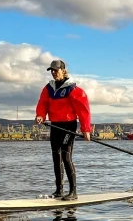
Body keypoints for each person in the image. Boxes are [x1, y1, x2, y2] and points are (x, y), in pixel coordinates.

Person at [35, 59, 91, 201]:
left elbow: (83, 110)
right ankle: (59, 190)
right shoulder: (48, 88)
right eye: (52, 71)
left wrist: (86, 129)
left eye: (56, 70)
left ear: (63, 70)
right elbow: (42, 104)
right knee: (56, 157)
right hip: (55, 125)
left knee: (66, 156)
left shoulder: (73, 89)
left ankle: (73, 192)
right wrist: (40, 116)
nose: (54, 73)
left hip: (68, 126)